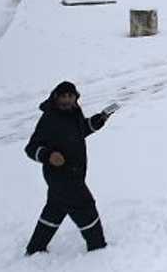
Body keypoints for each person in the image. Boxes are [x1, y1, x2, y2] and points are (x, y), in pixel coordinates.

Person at [24, 81, 110, 255]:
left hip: (74, 173)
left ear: (75, 97)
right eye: (63, 96)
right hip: (61, 176)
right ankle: (98, 248)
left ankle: (35, 248)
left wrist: (97, 121)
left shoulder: (73, 113)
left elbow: (80, 131)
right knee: (85, 206)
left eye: (70, 96)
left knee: (56, 208)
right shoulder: (49, 118)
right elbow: (31, 148)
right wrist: (48, 156)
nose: (67, 100)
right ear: (55, 97)